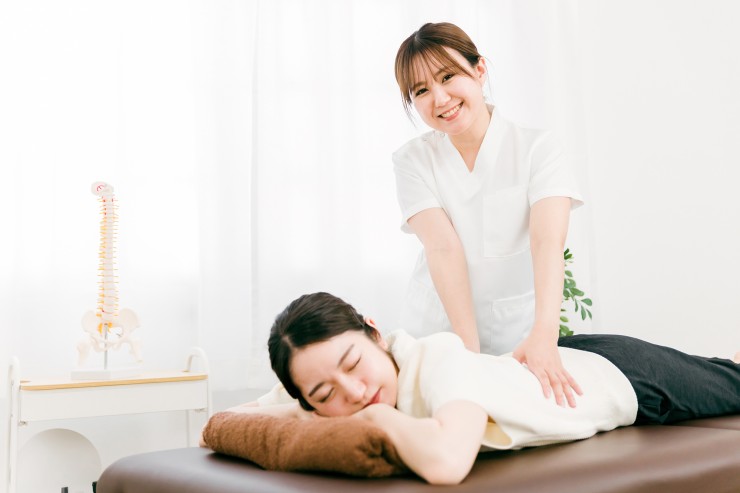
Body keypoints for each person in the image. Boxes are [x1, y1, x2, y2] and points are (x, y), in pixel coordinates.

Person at [226, 292, 740, 485]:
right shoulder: (319, 383)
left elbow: (447, 465)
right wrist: (303, 409)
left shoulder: (440, 360)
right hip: (553, 363)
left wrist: (377, 417)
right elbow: (225, 423)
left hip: (623, 376)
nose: (354, 392)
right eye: (324, 395)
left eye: (354, 363)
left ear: (375, 333)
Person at [392, 22, 584, 407]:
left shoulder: (538, 149)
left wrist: (545, 335)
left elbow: (547, 242)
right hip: (438, 332)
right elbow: (443, 249)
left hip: (520, 333)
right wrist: (467, 356)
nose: (440, 98)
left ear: (479, 70)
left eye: (448, 77)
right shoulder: (412, 160)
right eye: (421, 90)